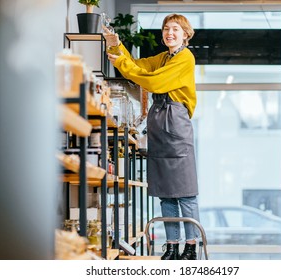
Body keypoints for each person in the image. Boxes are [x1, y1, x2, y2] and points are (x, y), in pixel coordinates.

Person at [103, 14, 199, 260]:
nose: (170, 33)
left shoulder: (185, 57)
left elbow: (153, 82)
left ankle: (190, 247)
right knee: (165, 192)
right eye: (167, 28)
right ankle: (173, 246)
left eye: (175, 29)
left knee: (185, 192)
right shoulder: (165, 57)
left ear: (185, 34)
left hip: (175, 120)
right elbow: (140, 64)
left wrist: (123, 64)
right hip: (159, 119)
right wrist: (115, 44)